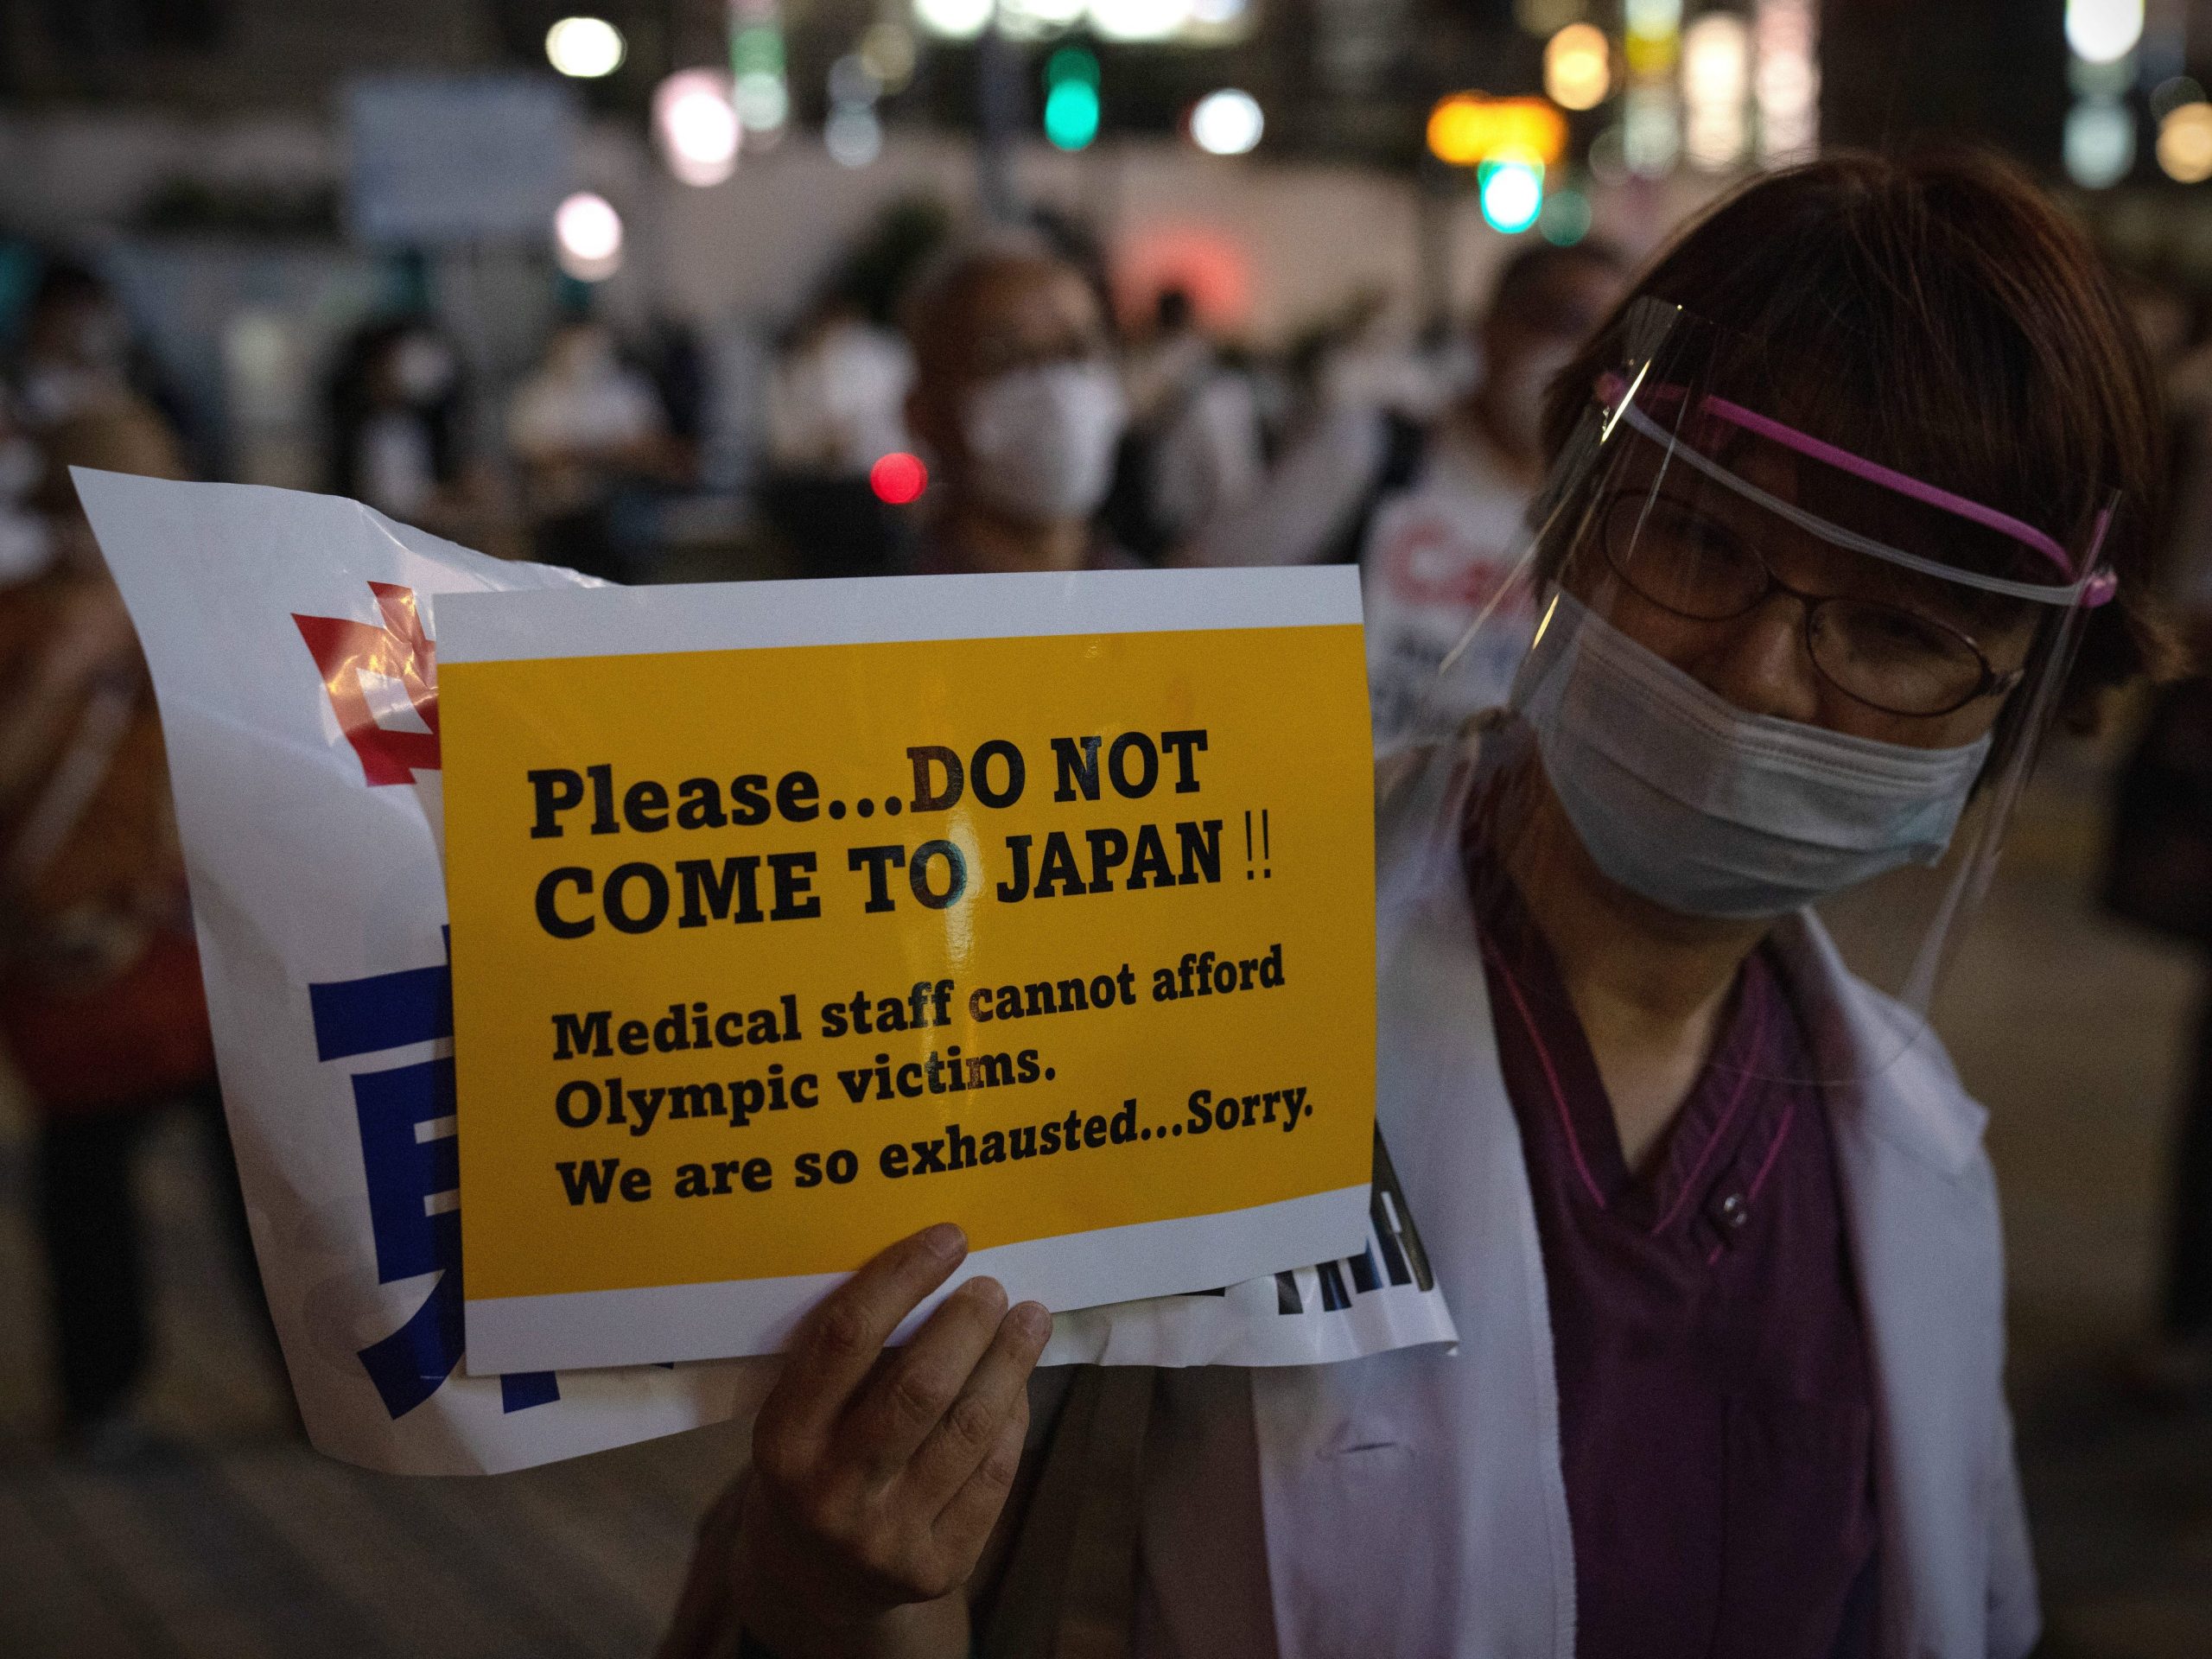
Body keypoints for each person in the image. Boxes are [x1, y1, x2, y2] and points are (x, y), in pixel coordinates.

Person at [663, 152, 2171, 1658]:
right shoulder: (1144, 981)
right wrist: (843, 1580)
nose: (1761, 675)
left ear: (2017, 712)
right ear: (1570, 509)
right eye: (1700, 541)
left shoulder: (1917, 1159)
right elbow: (890, 1584)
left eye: (1897, 629)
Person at [897, 234, 1132, 575]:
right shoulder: (887, 619)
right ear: (923, 414)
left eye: (1078, 350)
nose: (1057, 392)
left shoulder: (1161, 607)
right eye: (1005, 358)